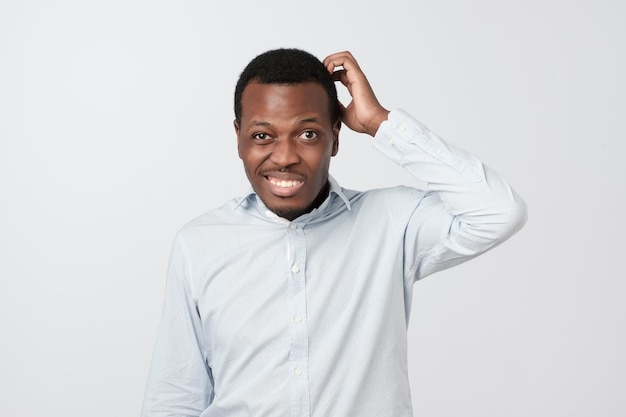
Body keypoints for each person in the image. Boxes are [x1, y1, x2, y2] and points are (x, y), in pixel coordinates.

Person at [141, 49, 527, 417]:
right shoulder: (200, 244)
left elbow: (499, 211)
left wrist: (379, 123)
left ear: (336, 136)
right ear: (238, 137)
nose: (285, 157)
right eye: (263, 136)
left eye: (307, 134)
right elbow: (176, 398)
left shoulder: (391, 222)